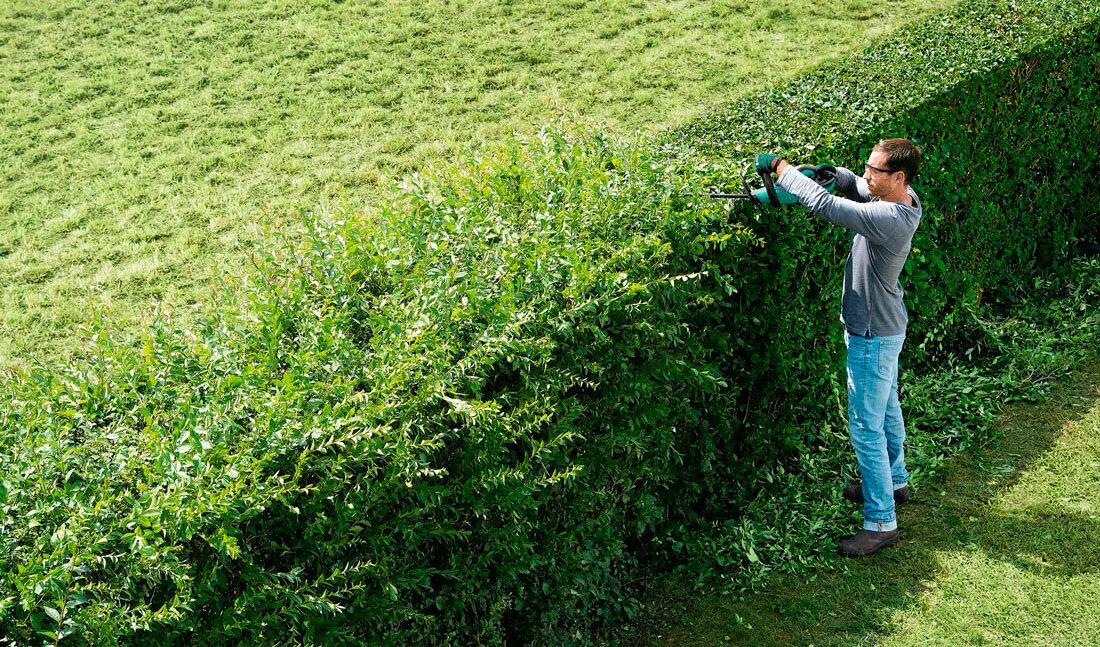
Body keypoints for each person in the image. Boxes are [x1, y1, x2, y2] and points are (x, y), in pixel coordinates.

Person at [757, 138, 923, 557]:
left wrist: (783, 170)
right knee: (886, 409)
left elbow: (829, 208)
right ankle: (895, 479)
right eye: (866, 167)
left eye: (875, 170)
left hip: (870, 333)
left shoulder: (889, 217)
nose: (867, 175)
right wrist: (840, 177)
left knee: (866, 426)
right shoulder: (905, 197)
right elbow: (859, 190)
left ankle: (881, 521)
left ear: (897, 177)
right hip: (886, 325)